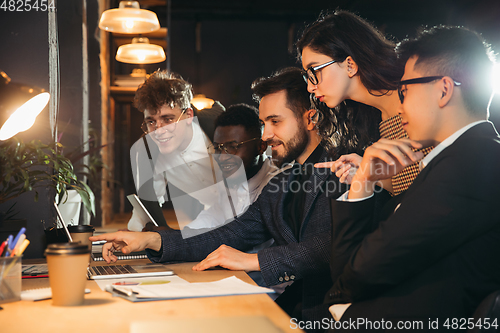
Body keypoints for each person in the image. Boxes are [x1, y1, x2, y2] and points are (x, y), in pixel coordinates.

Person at [91, 67, 374, 326]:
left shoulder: (344, 169)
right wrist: (153, 240)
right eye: (264, 123)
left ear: (311, 119)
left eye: (275, 121)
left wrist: (255, 260)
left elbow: (331, 247)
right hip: (291, 310)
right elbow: (232, 233)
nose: (266, 135)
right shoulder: (288, 179)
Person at [325, 26, 500, 330]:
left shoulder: (470, 163)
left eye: (404, 91)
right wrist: (364, 182)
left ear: (444, 89)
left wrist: (363, 183)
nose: (400, 105)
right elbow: (355, 267)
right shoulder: (457, 158)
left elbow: (359, 271)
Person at [297, 10, 433, 195]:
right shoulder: (374, 118)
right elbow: (402, 188)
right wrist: (366, 174)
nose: (310, 88)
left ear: (350, 65)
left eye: (314, 71)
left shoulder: (416, 94)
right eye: (308, 76)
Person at [127, 70, 225, 231]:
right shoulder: (146, 152)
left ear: (188, 116)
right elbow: (146, 208)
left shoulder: (219, 128)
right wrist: (137, 231)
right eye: (151, 122)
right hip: (210, 214)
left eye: (168, 119)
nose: (158, 130)